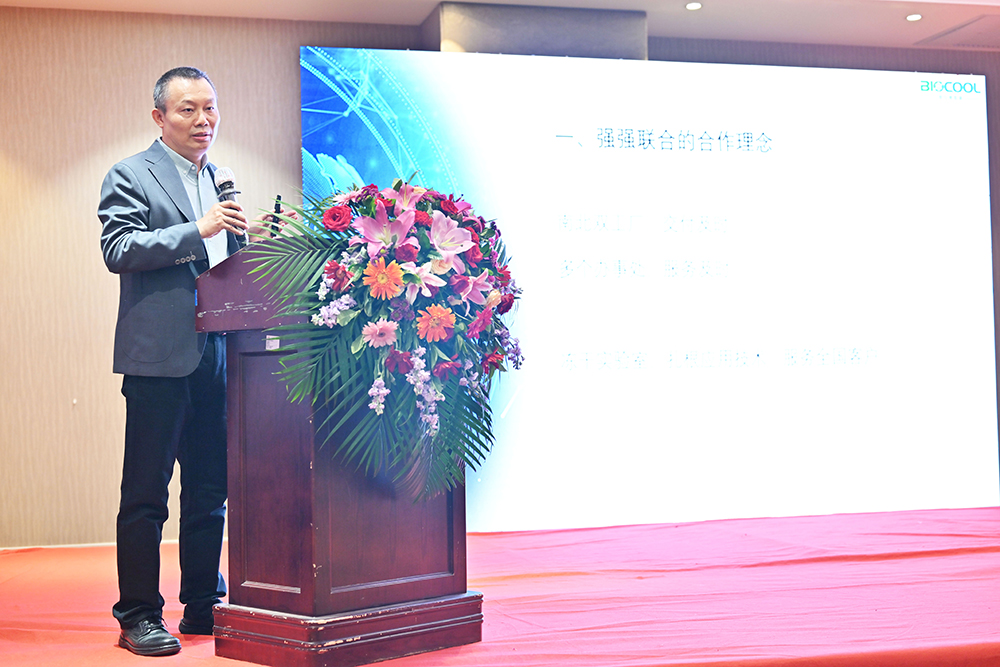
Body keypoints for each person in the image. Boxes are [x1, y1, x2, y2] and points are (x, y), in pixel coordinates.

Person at [98, 66, 263, 657]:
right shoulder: (129, 174)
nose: (203, 120)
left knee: (210, 489)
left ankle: (201, 604)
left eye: (210, 108)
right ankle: (139, 615)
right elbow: (119, 249)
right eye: (188, 109)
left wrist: (252, 239)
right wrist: (199, 228)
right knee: (146, 494)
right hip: (157, 359)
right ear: (160, 117)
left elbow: (223, 264)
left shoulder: (220, 178)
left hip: (218, 352)